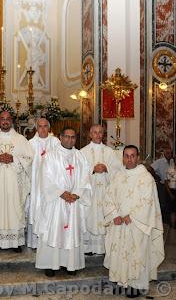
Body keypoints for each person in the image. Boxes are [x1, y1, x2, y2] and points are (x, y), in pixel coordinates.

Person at [103, 145, 164, 298]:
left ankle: (136, 285)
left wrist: (132, 216)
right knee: (119, 252)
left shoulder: (145, 177)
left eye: (132, 156)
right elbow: (108, 196)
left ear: (138, 157)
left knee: (137, 253)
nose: (129, 159)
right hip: (119, 223)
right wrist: (114, 214)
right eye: (126, 156)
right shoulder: (118, 176)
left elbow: (148, 201)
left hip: (137, 224)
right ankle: (119, 281)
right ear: (122, 158)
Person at [35, 127, 91, 277]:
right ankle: (51, 265)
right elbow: (45, 177)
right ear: (60, 137)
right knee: (53, 231)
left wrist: (77, 194)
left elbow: (86, 177)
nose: (70, 139)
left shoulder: (80, 156)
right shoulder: (51, 156)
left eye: (73, 137)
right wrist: (61, 193)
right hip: (56, 203)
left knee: (71, 232)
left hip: (73, 202)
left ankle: (70, 264)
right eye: (67, 136)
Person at [0, 110, 34, 252]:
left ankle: (15, 242)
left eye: (8, 119)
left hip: (14, 185)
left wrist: (14, 159)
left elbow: (30, 159)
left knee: (14, 209)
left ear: (12, 121)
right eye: (2, 119)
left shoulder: (21, 140)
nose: (5, 121)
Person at [80, 124, 121, 255]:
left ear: (103, 134)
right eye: (95, 132)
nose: (97, 135)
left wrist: (107, 168)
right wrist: (92, 169)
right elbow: (78, 172)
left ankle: (102, 248)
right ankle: (88, 248)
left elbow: (118, 170)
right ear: (90, 134)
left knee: (104, 214)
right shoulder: (82, 152)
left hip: (105, 191)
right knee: (89, 216)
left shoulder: (110, 152)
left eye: (100, 132)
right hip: (89, 192)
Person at [27, 118, 60, 249]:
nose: (42, 129)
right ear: (36, 128)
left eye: (45, 126)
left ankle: (50, 241)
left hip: (51, 184)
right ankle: (35, 243)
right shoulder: (30, 143)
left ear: (49, 127)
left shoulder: (56, 142)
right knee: (37, 207)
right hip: (36, 183)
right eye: (40, 126)